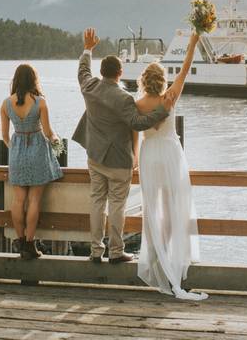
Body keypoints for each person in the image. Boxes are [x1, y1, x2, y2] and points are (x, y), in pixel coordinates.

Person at [72, 27, 177, 263]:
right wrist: (163, 109)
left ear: (102, 72)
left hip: (95, 157)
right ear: (120, 73)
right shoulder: (124, 98)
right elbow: (138, 123)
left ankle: (96, 251)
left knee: (97, 202)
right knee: (117, 205)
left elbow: (82, 70)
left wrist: (88, 49)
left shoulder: (89, 86)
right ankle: (116, 251)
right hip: (119, 160)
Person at [136, 33, 207, 300]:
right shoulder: (170, 97)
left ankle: (153, 253)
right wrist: (192, 44)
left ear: (143, 81)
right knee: (170, 207)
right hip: (170, 152)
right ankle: (166, 251)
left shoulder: (138, 104)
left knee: (149, 206)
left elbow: (130, 127)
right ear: (162, 80)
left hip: (149, 153)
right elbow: (186, 69)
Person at [0, 64, 63, 260]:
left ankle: (20, 241)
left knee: (18, 200)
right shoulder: (40, 102)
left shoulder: (6, 104)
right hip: (37, 150)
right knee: (35, 200)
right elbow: (48, 132)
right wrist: (57, 142)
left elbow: (4, 136)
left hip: (17, 150)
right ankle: (29, 243)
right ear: (33, 80)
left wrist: (16, 148)